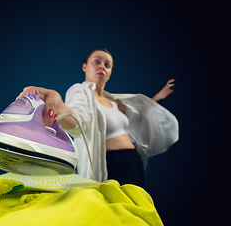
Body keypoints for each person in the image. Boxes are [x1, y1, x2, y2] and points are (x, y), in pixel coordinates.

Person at [17, 48, 179, 187]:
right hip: (111, 164)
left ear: (110, 72)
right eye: (97, 61)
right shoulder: (80, 91)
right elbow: (79, 121)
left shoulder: (113, 101)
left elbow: (138, 112)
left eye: (107, 65)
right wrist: (57, 104)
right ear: (84, 66)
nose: (102, 66)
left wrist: (156, 98)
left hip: (133, 162)